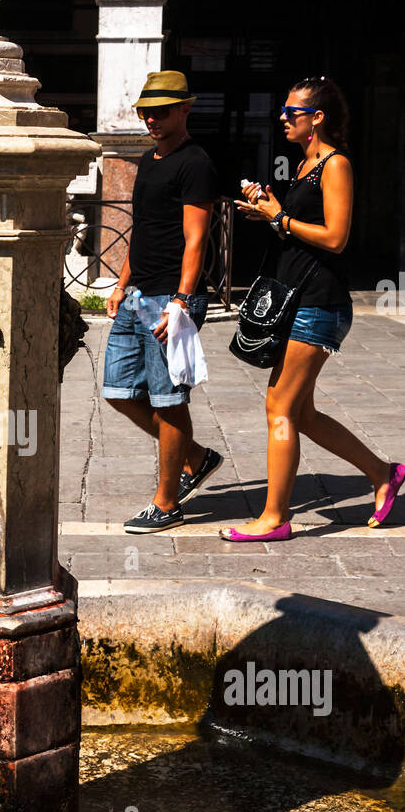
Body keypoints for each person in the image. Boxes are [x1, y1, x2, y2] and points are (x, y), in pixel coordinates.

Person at [223, 75, 403, 541]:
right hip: (299, 298)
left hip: (319, 302)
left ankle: (274, 519)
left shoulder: (335, 165)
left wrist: (279, 217)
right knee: (300, 413)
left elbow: (337, 239)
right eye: (284, 111)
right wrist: (271, 211)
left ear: (316, 117)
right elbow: (302, 231)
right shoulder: (305, 164)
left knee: (278, 405)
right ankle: (384, 474)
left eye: (292, 112)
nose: (282, 118)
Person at [102, 70, 224, 533]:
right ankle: (195, 456)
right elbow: (142, 230)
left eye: (162, 111)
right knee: (117, 391)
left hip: (171, 298)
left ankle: (167, 502)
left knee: (169, 401)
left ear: (185, 109)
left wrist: (180, 302)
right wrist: (120, 283)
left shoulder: (196, 164)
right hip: (136, 295)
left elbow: (196, 240)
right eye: (146, 111)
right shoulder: (147, 160)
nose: (152, 118)